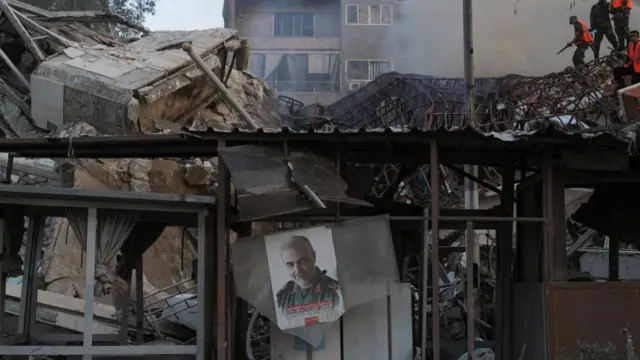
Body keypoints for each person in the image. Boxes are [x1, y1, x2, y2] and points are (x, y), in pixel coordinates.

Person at [275, 235, 341, 316]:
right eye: (290, 264)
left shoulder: (336, 292)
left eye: (302, 261)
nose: (297, 270)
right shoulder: (283, 298)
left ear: (314, 257)